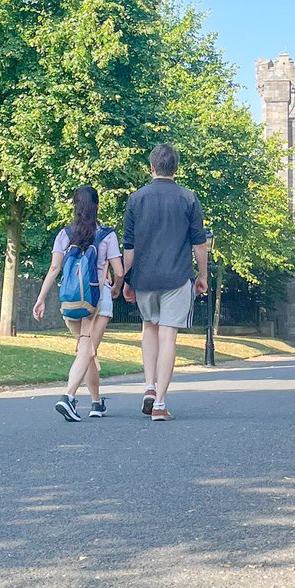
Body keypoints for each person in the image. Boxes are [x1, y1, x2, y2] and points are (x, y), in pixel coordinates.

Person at [122, 144, 207, 420]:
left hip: (144, 277)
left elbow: (130, 247)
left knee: (149, 328)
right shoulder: (188, 198)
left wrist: (125, 280)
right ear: (176, 169)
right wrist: (203, 276)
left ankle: (148, 386)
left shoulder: (136, 199)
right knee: (168, 335)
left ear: (152, 168)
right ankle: (160, 403)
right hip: (177, 276)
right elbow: (199, 244)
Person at [32, 185, 124, 422]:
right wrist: (115, 287)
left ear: (74, 205)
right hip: (98, 299)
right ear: (97, 206)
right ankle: (68, 396)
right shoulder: (107, 235)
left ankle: (95, 402)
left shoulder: (64, 234)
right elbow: (119, 270)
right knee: (87, 349)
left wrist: (41, 298)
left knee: (89, 351)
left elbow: (55, 268)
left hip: (71, 300)